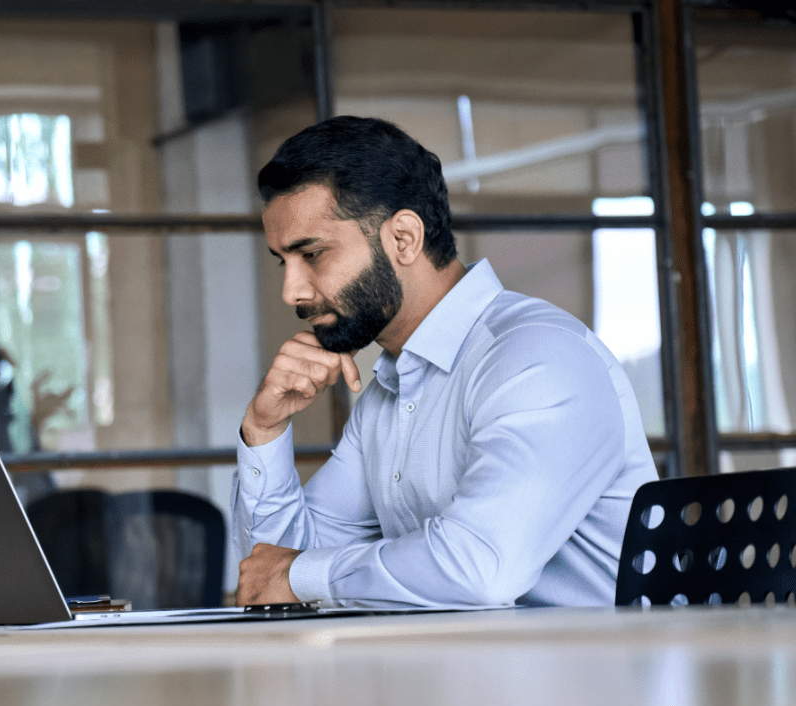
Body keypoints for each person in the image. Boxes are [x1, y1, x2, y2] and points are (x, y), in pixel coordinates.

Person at [233, 116, 657, 608]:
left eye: (312, 254)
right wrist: (264, 430)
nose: (292, 292)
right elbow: (278, 573)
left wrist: (299, 575)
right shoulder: (387, 396)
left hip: (599, 681)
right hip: (463, 678)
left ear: (404, 239)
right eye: (283, 262)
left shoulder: (537, 359)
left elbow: (480, 570)